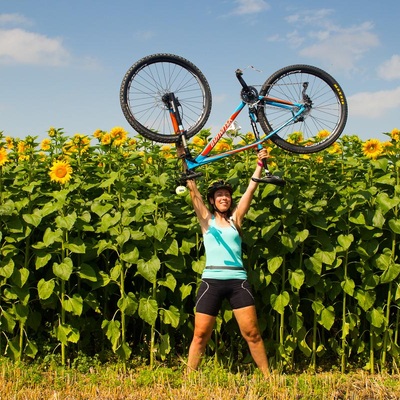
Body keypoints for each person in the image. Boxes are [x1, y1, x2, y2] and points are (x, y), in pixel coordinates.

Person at [185, 148, 270, 377]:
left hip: (237, 282)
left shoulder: (236, 220)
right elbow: (193, 191)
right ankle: (189, 380)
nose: (224, 197)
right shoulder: (206, 220)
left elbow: (251, 189)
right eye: (219, 195)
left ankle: (269, 379)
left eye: (227, 195)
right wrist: (183, 156)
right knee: (200, 335)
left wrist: (260, 165)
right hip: (211, 282)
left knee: (252, 333)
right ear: (212, 201)